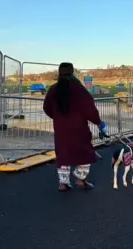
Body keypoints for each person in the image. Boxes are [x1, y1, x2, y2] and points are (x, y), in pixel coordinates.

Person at [43, 62, 106, 191]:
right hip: (79, 129)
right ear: (72, 72)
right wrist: (98, 122)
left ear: (59, 73)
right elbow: (90, 110)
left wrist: (57, 118)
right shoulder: (79, 89)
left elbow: (47, 107)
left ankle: (63, 183)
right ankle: (80, 179)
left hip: (61, 129)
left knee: (63, 154)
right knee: (84, 153)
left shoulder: (53, 89)